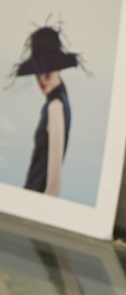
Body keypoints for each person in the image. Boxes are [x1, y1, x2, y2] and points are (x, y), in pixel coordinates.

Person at [14, 25, 78, 196]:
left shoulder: (55, 106)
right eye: (38, 71)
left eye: (47, 70)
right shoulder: (60, 99)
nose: (42, 78)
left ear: (58, 67)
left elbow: (54, 187)